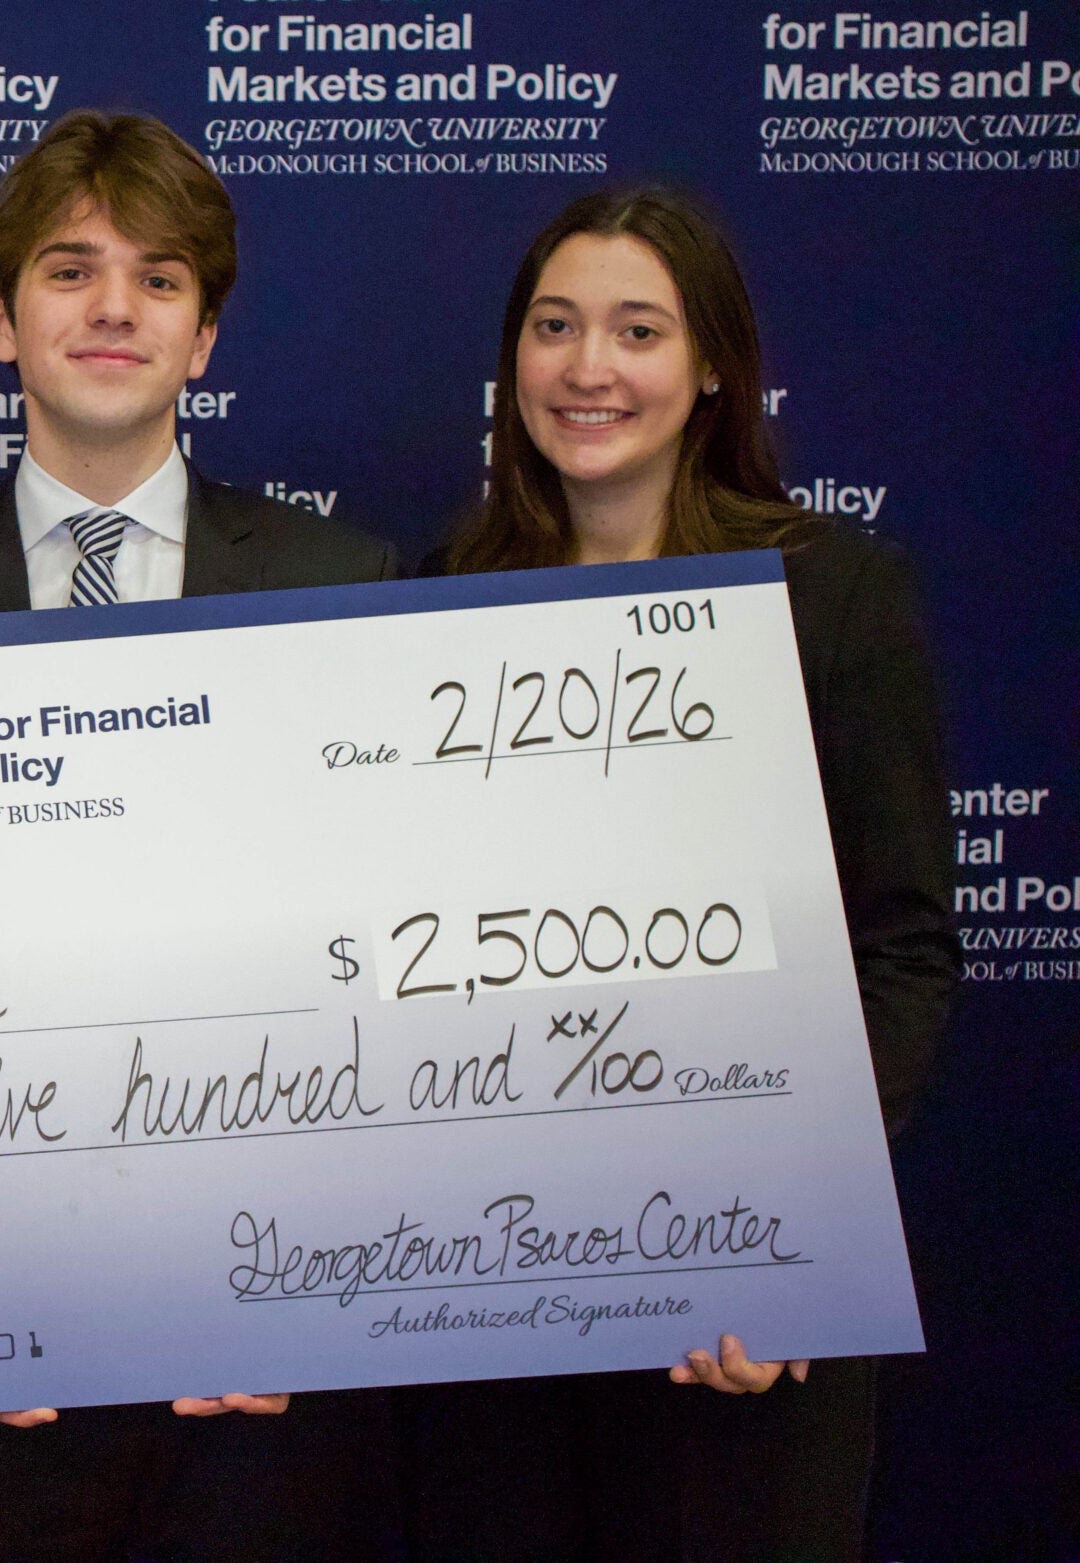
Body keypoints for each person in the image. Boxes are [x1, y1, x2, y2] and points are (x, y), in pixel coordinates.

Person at [0, 109, 406, 1562]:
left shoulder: (345, 580)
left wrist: (318, 1287)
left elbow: (382, 973)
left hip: (259, 1362)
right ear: (0, 321)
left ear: (204, 338)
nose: (114, 306)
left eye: (161, 277)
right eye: (69, 270)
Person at [407, 186, 960, 1562]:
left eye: (637, 329)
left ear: (713, 364)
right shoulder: (436, 603)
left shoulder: (830, 594)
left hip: (741, 1314)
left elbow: (901, 950)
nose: (590, 367)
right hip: (493, 1315)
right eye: (555, 326)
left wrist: (781, 1236)